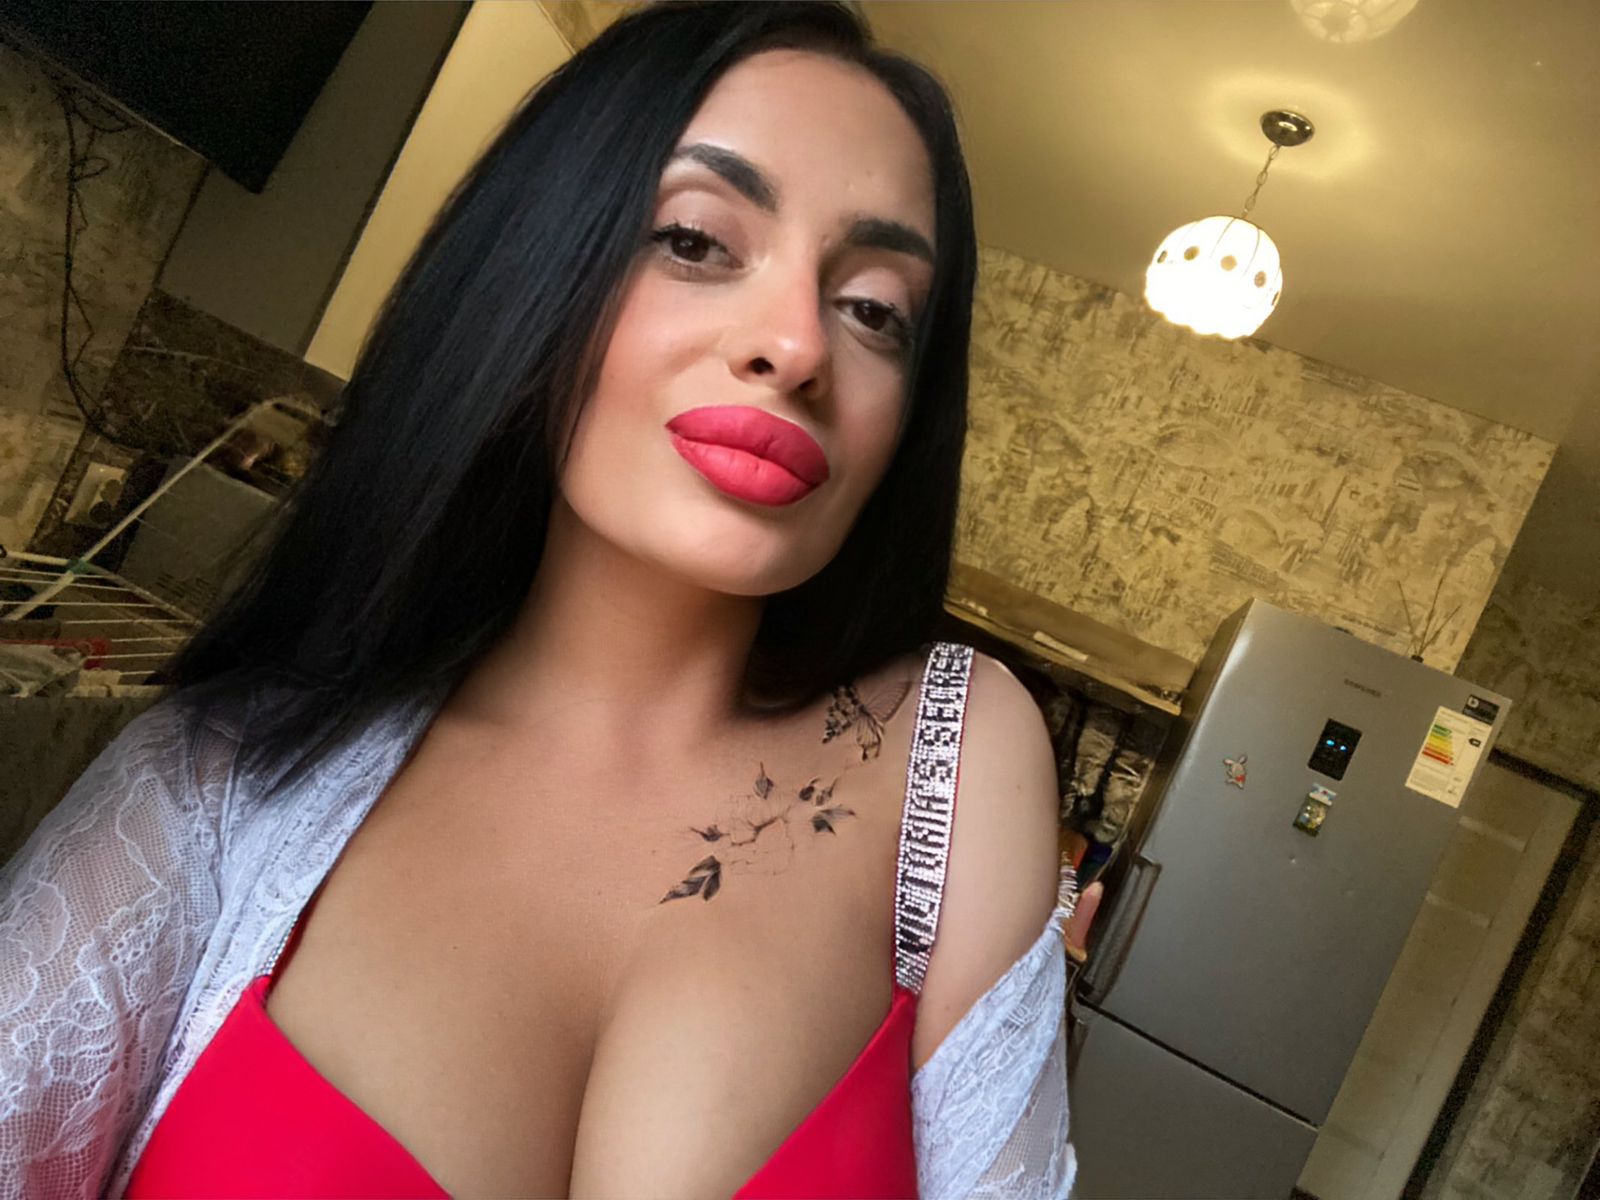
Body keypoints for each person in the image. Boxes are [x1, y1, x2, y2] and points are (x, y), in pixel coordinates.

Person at [0, 3, 1100, 1196]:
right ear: (533, 262)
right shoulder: (213, 786)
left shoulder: (955, 759)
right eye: (695, 240)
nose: (797, 346)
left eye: (875, 309)